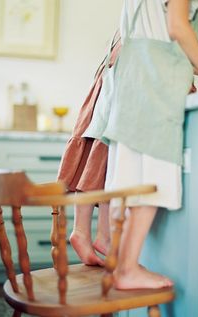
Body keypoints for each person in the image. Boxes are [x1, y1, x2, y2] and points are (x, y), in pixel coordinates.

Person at [84, 0, 198, 289]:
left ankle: (120, 262)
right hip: (154, 92)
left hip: (131, 90)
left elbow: (160, 43)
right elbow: (178, 26)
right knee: (152, 182)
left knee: (127, 181)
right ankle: (128, 269)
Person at [57, 34, 121, 266]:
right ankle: (83, 232)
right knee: (98, 158)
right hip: (115, 84)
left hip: (108, 80)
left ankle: (97, 234)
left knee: (101, 162)